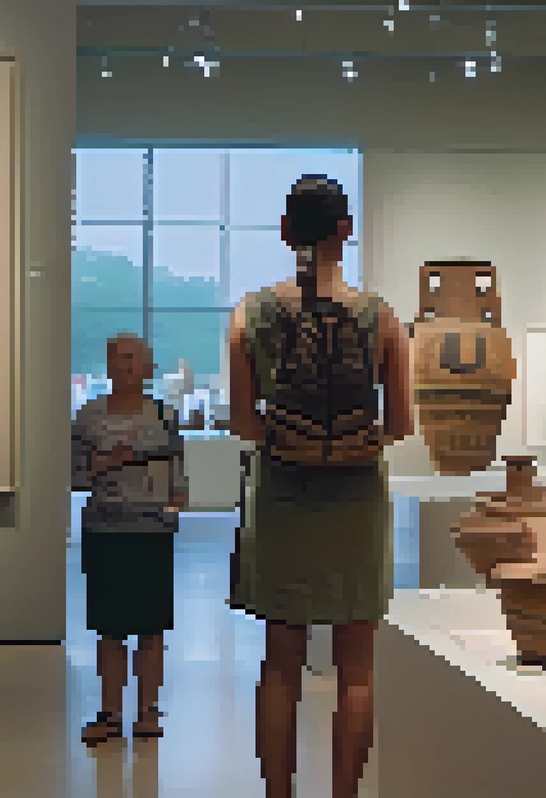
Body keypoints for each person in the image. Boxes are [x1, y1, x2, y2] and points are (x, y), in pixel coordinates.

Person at [226, 175, 412, 798]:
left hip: (283, 494)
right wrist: (349, 445)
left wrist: (298, 441)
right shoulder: (381, 317)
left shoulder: (249, 314)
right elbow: (403, 424)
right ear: (346, 231)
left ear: (284, 232)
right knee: (356, 669)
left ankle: (280, 793)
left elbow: (246, 423)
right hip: (356, 499)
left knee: (282, 665)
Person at [70, 333, 187, 746]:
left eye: (131, 358)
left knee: (153, 628)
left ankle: (148, 711)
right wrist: (101, 465)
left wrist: (175, 501)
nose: (123, 365)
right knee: (109, 628)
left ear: (148, 365)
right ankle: (110, 713)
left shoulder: (164, 415)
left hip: (152, 532)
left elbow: (178, 474)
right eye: (116, 358)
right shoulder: (88, 417)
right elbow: (73, 475)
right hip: (105, 530)